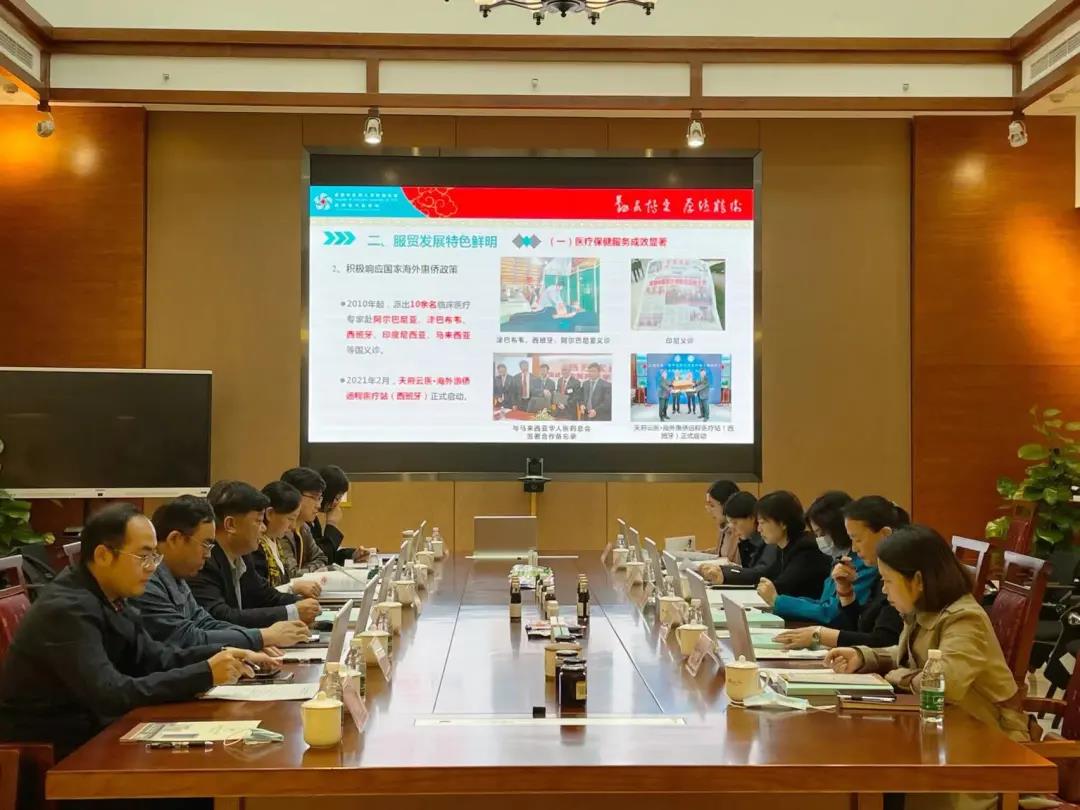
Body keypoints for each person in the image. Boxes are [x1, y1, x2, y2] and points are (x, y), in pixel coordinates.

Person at [0, 503, 275, 757]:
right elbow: (110, 694)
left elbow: (154, 657)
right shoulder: (66, 609)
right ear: (103, 555)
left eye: (155, 556)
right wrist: (206, 672)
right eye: (143, 556)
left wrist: (227, 653)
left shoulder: (112, 594)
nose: (152, 567)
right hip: (57, 752)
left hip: (100, 732)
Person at [825, 525, 1029, 810]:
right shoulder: (926, 610)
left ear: (918, 580)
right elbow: (913, 656)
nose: (884, 590)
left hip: (983, 753)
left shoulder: (963, 618)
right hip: (941, 737)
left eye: (888, 581)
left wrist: (897, 675)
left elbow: (945, 683)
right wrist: (864, 656)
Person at [135, 495, 311, 651]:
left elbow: (205, 623)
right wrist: (261, 637)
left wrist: (255, 641)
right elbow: (186, 638)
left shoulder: (177, 576)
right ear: (175, 539)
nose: (208, 555)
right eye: (206, 544)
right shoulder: (148, 581)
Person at [776, 496, 909, 651]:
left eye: (857, 539)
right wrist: (846, 593)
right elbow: (860, 627)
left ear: (885, 534)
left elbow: (884, 641)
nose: (854, 548)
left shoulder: (901, 575)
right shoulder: (879, 575)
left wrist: (819, 635)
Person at [190, 481, 320, 628]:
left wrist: (304, 604)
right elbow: (221, 617)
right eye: (258, 521)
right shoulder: (203, 561)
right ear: (231, 525)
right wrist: (291, 612)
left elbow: (264, 595)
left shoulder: (242, 555)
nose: (263, 528)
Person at [770, 491, 879, 624]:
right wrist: (781, 601)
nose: (820, 539)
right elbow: (824, 602)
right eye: (817, 534)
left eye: (823, 533)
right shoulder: (839, 558)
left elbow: (832, 613)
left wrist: (779, 601)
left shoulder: (865, 561)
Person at [754, 490, 832, 602]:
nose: (759, 529)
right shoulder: (784, 547)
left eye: (762, 523)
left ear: (783, 523)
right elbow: (766, 575)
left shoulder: (806, 550)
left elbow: (782, 587)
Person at [252, 481, 324, 596]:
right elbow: (260, 595)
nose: (293, 526)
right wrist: (292, 588)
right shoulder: (255, 547)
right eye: (290, 519)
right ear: (270, 513)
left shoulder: (276, 541)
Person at [699, 492, 779, 586]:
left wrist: (724, 572)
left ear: (752, 518)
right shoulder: (746, 540)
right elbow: (749, 571)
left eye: (735, 523)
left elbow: (760, 574)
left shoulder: (770, 540)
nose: (732, 528)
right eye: (730, 523)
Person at [279, 467, 330, 573]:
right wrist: (314, 569)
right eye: (314, 498)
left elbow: (322, 558)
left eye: (320, 498)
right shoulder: (280, 529)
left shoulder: (304, 527)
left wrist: (304, 570)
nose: (318, 505)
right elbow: (291, 575)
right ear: (294, 495)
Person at [704, 479, 741, 559]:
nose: (709, 510)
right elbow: (720, 553)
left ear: (726, 505)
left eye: (712, 505)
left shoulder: (740, 532)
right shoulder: (724, 527)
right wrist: (695, 554)